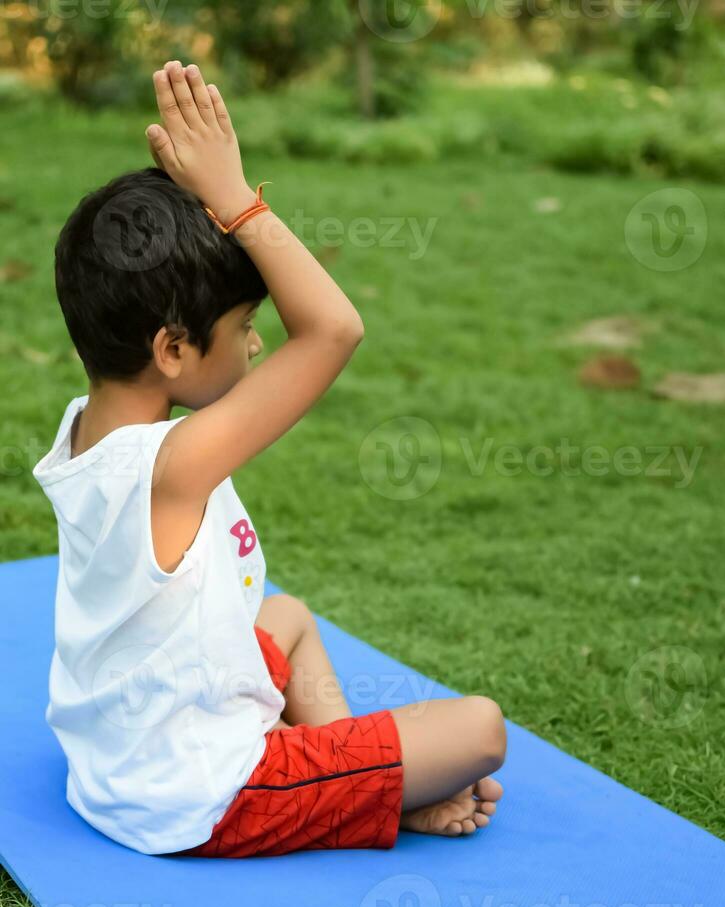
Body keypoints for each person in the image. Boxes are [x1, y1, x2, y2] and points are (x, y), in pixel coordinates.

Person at [31, 60, 505, 858]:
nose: (258, 341)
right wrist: (236, 197)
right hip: (205, 790)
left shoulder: (89, 431)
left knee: (286, 618)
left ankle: (363, 782)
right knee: (479, 729)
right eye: (247, 322)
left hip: (120, 759)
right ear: (172, 348)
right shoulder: (172, 465)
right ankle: (366, 791)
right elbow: (333, 330)